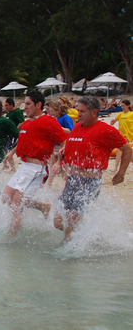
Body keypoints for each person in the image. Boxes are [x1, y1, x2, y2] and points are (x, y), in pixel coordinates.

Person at [53, 96, 132, 242]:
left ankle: (67, 254)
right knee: (58, 222)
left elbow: (127, 149)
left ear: (94, 112)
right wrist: (61, 164)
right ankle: (88, 233)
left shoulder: (105, 130)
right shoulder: (77, 127)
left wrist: (121, 173)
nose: (79, 114)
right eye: (78, 110)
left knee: (71, 221)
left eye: (82, 111)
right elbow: (71, 146)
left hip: (89, 182)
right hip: (72, 180)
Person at [2, 90, 68, 238]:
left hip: (37, 169)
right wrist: (12, 152)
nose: (24, 107)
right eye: (24, 103)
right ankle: (43, 207)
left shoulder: (49, 122)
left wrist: (60, 162)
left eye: (28, 103)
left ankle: (9, 240)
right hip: (23, 166)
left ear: (38, 105)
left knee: (16, 204)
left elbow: (65, 141)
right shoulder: (26, 123)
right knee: (6, 198)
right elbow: (23, 141)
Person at [44, 99, 74, 186]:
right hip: (53, 146)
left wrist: (58, 127)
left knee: (64, 169)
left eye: (53, 111)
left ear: (59, 109)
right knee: (51, 166)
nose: (51, 113)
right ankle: (48, 185)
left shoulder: (66, 118)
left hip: (63, 146)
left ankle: (66, 185)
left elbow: (71, 131)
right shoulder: (52, 118)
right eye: (50, 111)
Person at [110, 100, 133, 171]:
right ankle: (116, 167)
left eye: (124, 106)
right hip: (120, 135)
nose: (122, 107)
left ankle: (115, 167)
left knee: (119, 150)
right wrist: (112, 121)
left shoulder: (131, 114)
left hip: (128, 135)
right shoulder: (120, 114)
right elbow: (113, 123)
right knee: (126, 151)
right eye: (122, 106)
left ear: (128, 106)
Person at [2, 98, 25, 171]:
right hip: (8, 135)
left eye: (7, 105)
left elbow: (21, 122)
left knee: (9, 150)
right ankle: (6, 165)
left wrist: (15, 130)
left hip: (14, 135)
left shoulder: (17, 112)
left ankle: (13, 168)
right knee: (5, 150)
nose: (6, 107)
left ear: (12, 105)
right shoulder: (8, 114)